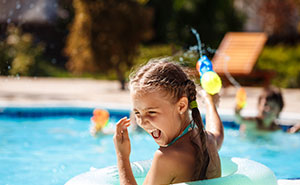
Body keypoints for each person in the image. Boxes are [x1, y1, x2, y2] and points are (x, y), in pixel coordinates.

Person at [113, 58, 224, 184]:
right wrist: (210, 102)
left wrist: (122, 156)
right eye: (137, 113)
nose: (142, 122)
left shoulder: (166, 158)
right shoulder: (207, 140)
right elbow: (217, 133)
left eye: (151, 112)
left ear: (181, 106)